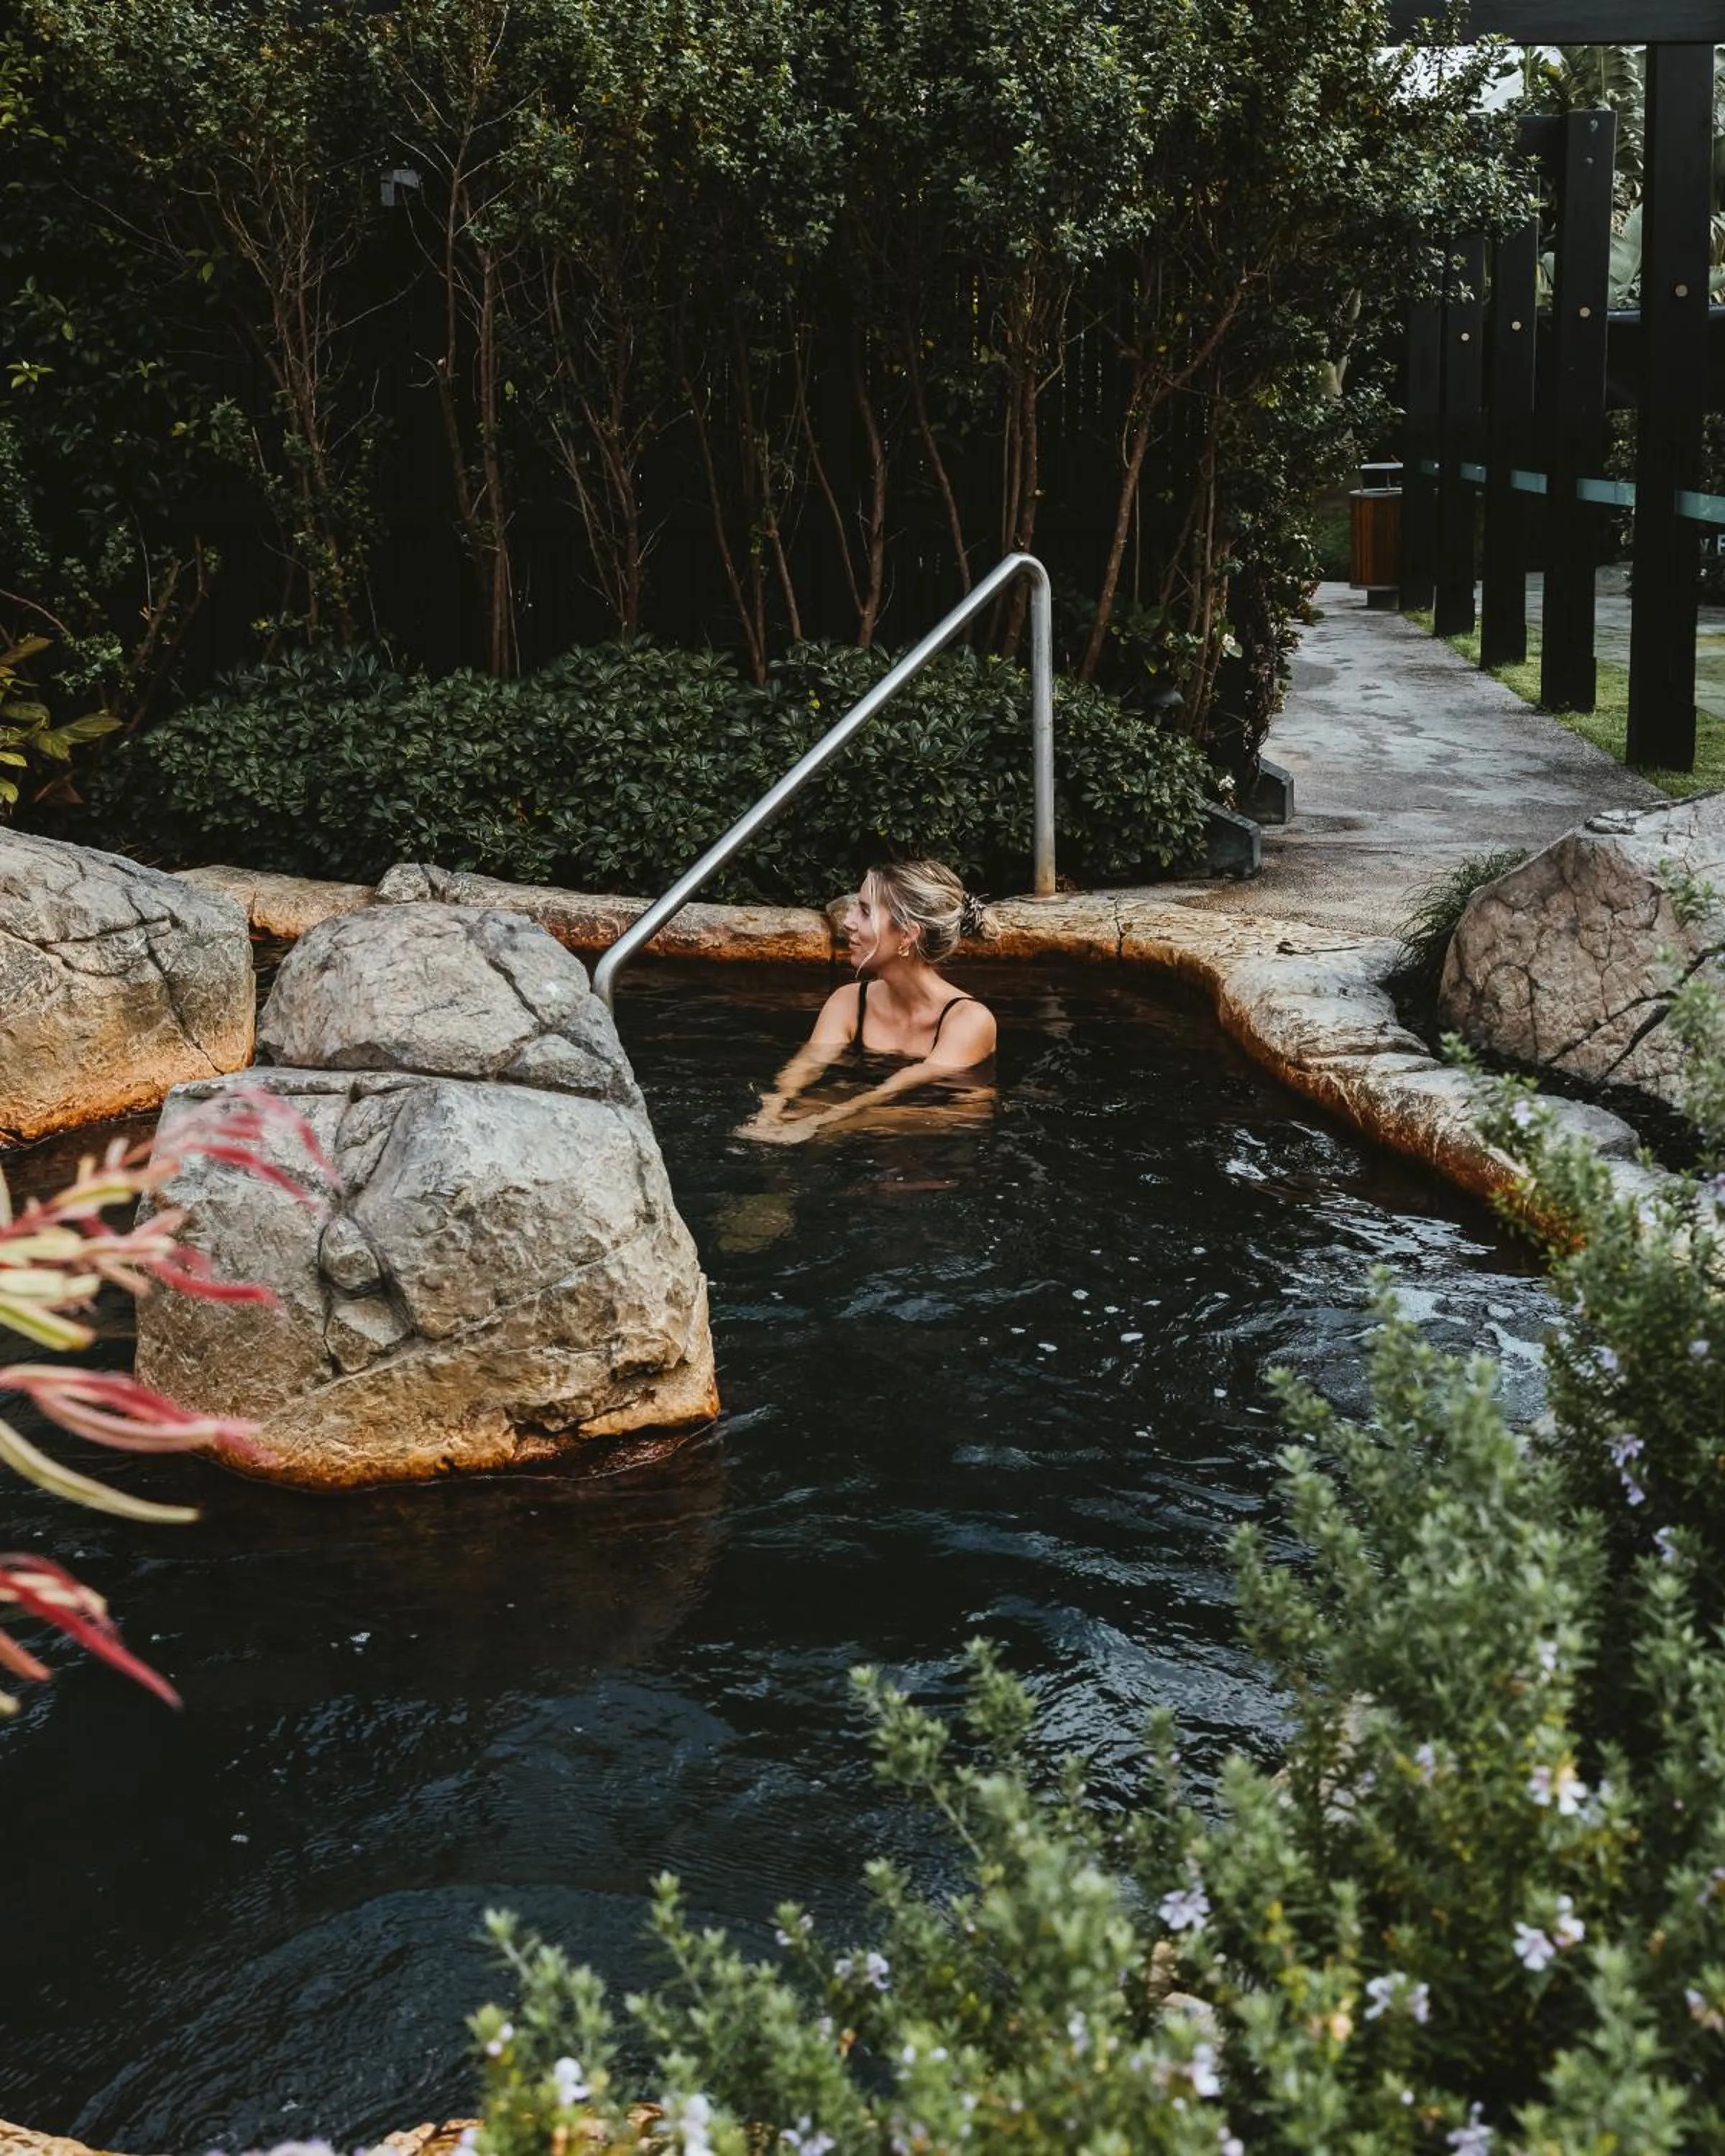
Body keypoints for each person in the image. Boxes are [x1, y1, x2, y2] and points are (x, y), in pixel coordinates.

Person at [740, 860, 997, 1143]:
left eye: (864, 911)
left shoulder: (969, 1020)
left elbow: (906, 1086)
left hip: (935, 1138)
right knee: (796, 1116)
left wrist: (820, 1123)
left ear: (907, 935)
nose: (848, 922)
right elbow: (807, 1064)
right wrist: (773, 1109)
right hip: (865, 1136)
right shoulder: (849, 1001)